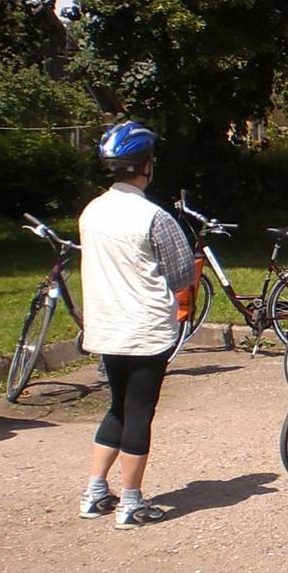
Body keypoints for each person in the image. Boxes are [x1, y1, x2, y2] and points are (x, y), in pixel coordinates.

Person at [77, 120, 196, 529]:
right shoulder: (153, 217)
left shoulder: (91, 211)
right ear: (145, 166)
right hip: (146, 329)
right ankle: (130, 500)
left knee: (117, 405)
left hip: (106, 326)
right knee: (140, 410)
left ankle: (95, 490)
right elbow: (182, 275)